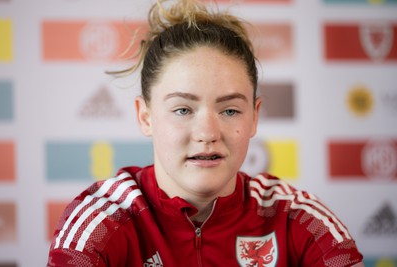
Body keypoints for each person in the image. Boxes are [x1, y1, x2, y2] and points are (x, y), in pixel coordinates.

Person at [47, 0, 364, 266]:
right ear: (145, 117)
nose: (208, 133)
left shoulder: (296, 217)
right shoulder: (101, 222)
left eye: (229, 110)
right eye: (183, 110)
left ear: (254, 116)